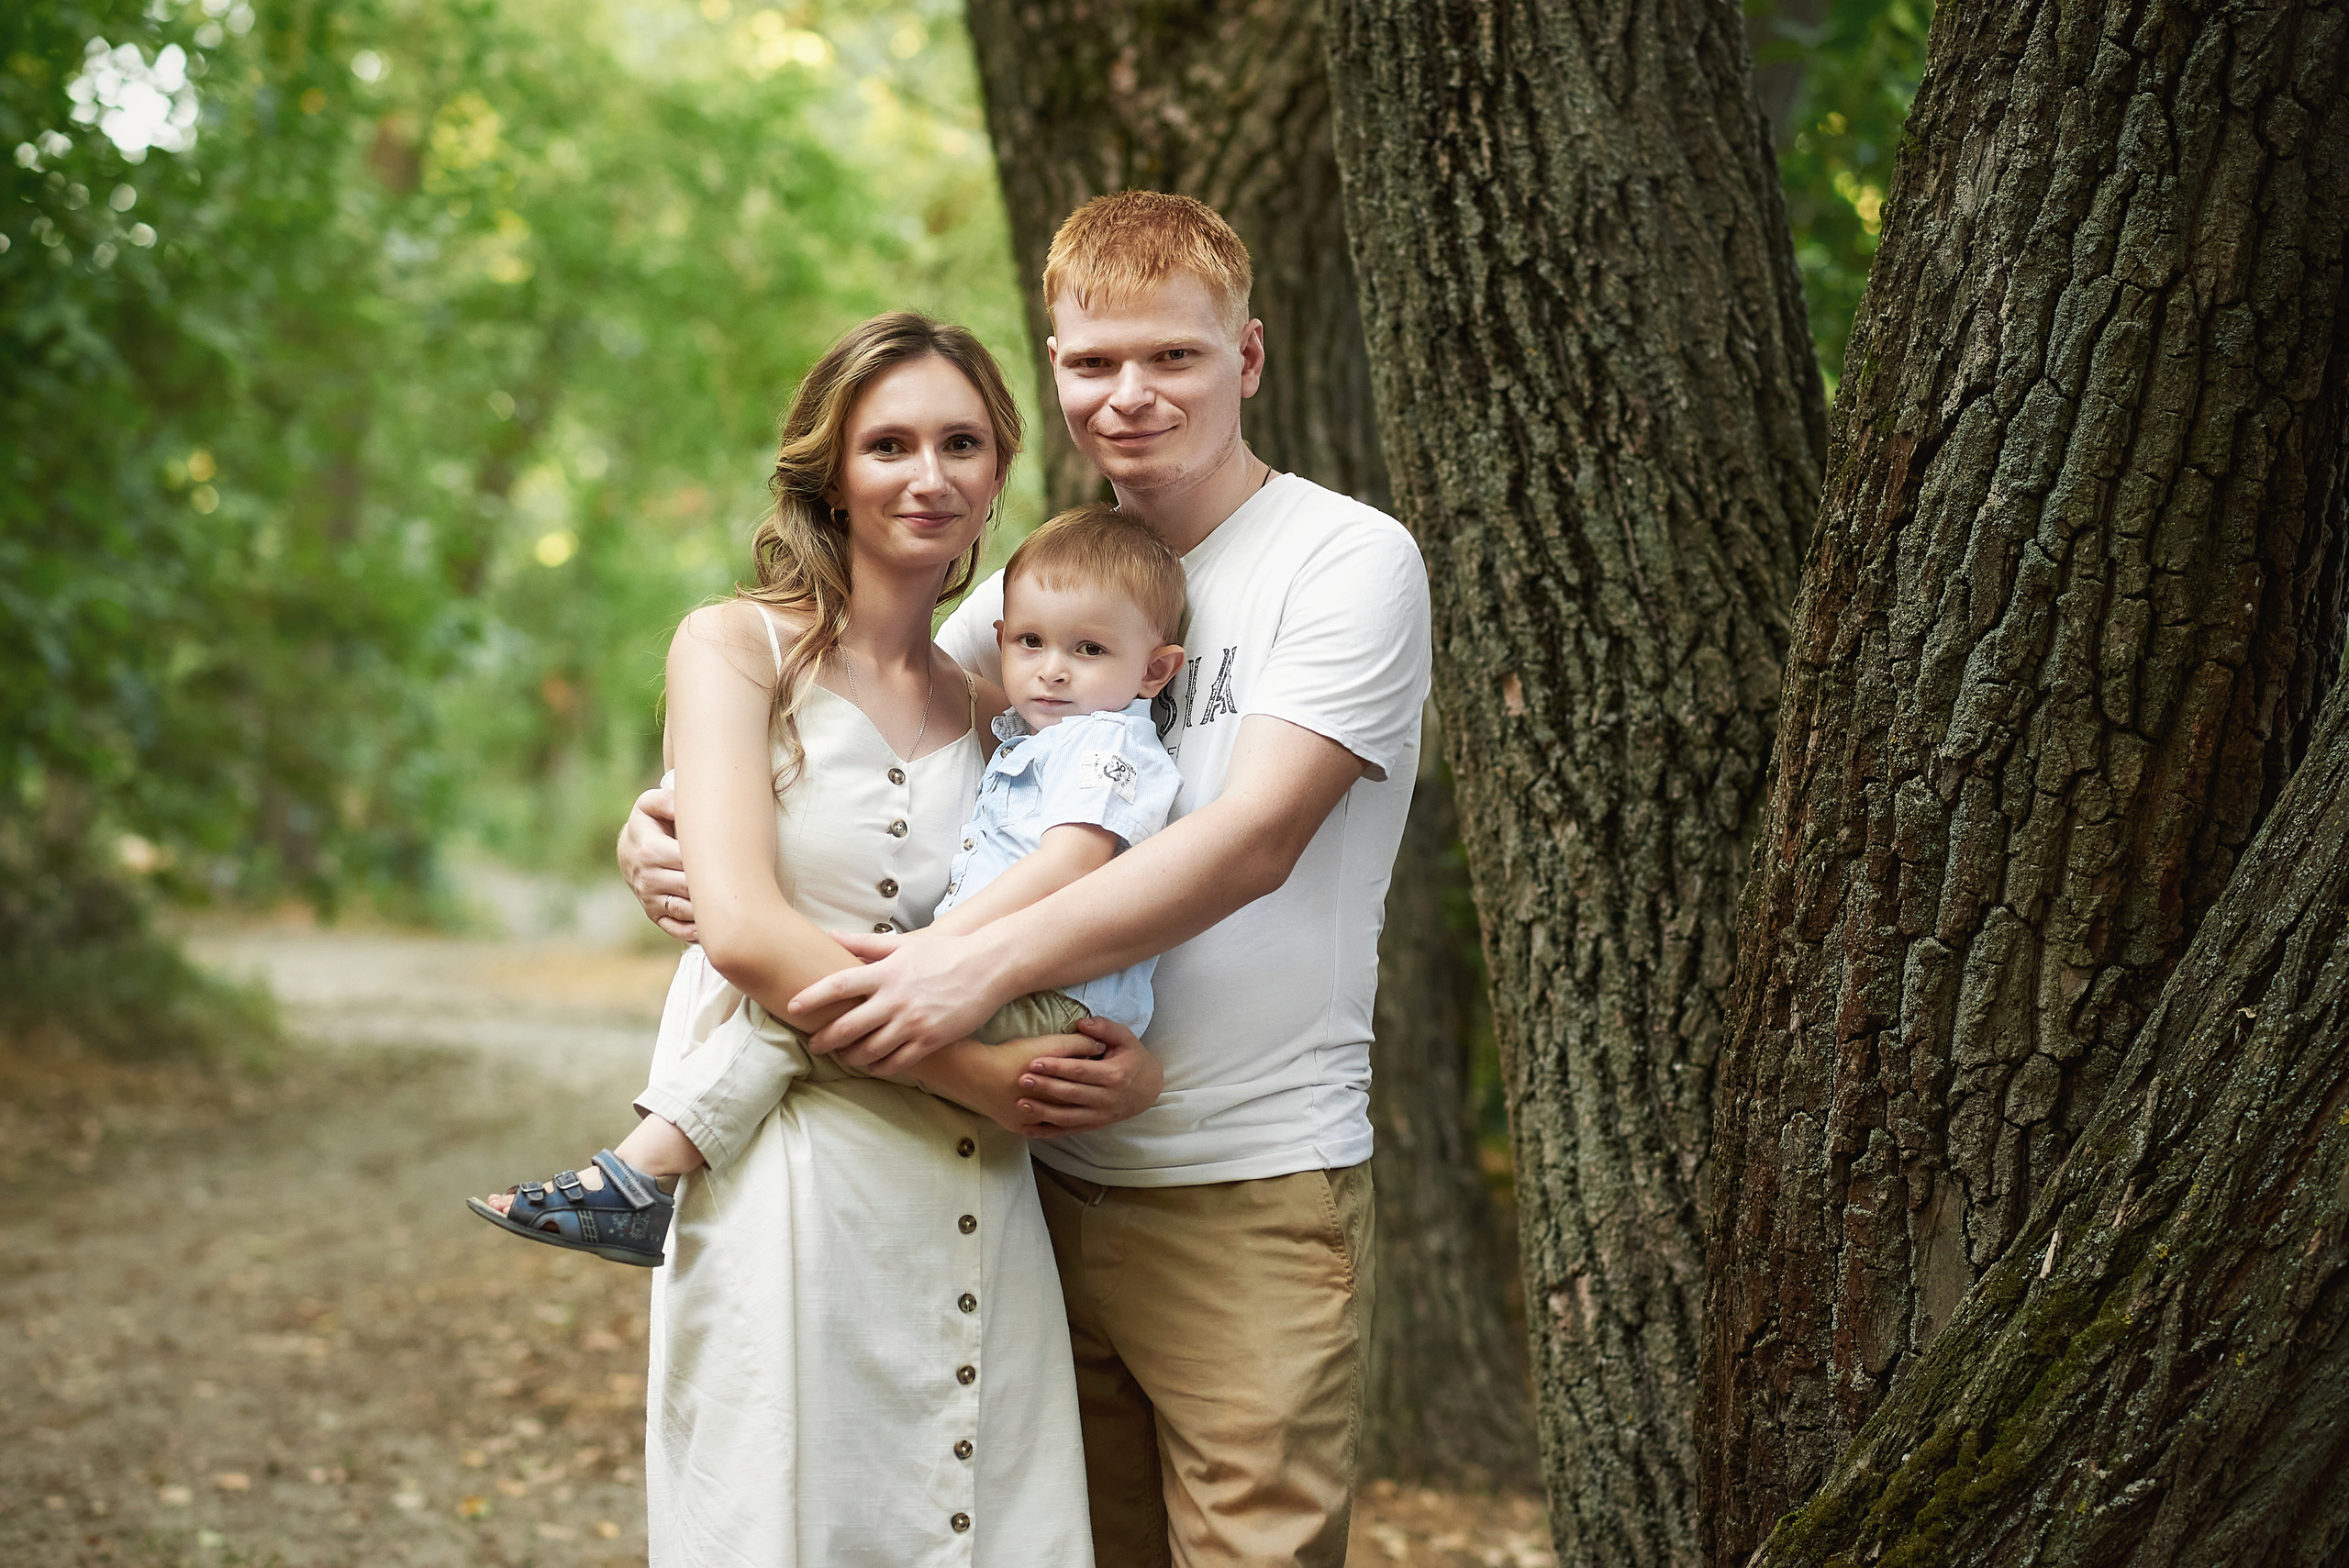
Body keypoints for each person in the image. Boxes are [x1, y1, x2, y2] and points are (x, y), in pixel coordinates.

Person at [621, 193, 1432, 1566]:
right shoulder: (1031, 600)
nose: (1130, 394)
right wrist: (663, 829)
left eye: (1172, 356)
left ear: (1246, 357)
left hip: (1238, 1181)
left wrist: (970, 965)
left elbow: (1251, 841)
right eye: (1092, 361)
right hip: (1020, 1182)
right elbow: (892, 775)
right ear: (1055, 370)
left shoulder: (1343, 561)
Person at [486, 312, 1170, 1565]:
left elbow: (1082, 902)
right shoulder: (734, 647)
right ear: (830, 471)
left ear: (998, 473)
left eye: (961, 442)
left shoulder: (1004, 709)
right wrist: (979, 1071)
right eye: (890, 442)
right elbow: (743, 929)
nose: (928, 474)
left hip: (973, 1195)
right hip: (788, 1180)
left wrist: (1120, 1064)